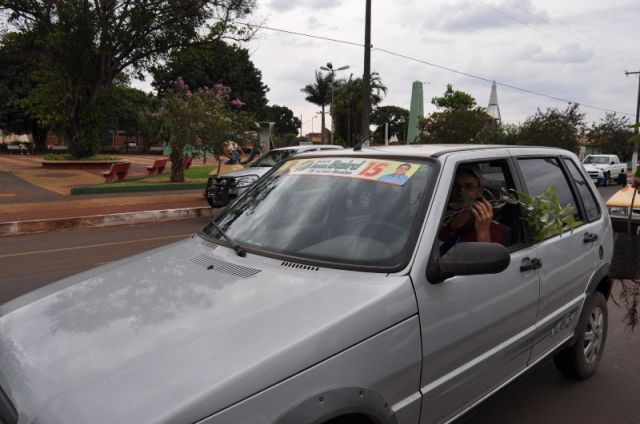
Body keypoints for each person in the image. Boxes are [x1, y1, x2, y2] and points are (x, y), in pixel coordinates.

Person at [439, 165, 504, 253]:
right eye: (456, 186)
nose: (461, 192)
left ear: (479, 191)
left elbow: (488, 258)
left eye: (469, 187)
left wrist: (483, 231)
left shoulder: (491, 228)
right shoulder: (437, 218)